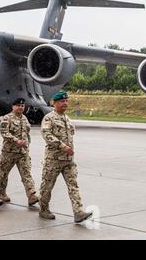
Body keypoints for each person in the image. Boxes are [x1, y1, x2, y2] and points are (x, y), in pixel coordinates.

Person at [39, 91, 93, 223]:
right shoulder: (49, 118)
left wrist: (68, 150)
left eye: (66, 101)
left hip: (68, 161)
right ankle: (43, 209)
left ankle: (78, 212)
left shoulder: (67, 118)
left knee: (73, 185)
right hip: (54, 160)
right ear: (55, 103)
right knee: (47, 186)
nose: (65, 103)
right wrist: (63, 147)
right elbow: (47, 135)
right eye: (62, 101)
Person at [0, 98, 39, 205]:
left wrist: (27, 144)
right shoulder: (7, 118)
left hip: (22, 153)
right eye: (18, 105)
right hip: (9, 152)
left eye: (22, 106)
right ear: (13, 106)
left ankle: (31, 195)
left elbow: (27, 133)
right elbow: (4, 133)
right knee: (3, 174)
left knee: (26, 174)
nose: (21, 107)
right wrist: (16, 141)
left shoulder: (24, 118)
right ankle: (2, 192)